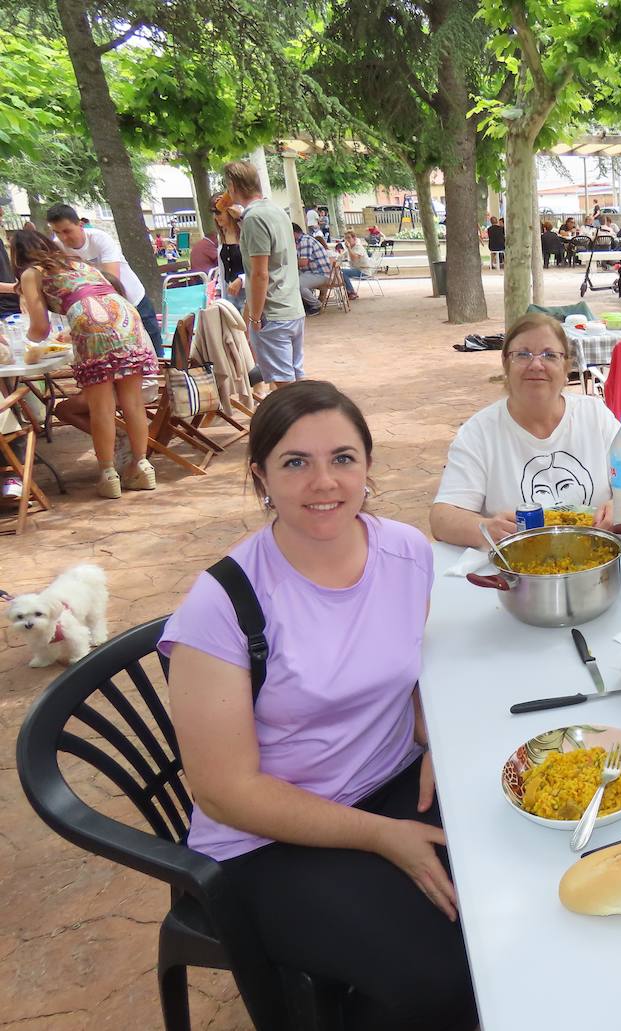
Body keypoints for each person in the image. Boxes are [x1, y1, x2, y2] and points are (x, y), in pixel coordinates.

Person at [159, 381, 479, 1028]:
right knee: (438, 977)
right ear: (261, 478)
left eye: (342, 457)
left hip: (387, 784)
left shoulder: (407, 553)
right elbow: (225, 791)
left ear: (367, 466)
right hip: (267, 841)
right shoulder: (221, 604)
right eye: (295, 462)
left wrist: (437, 737)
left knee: (511, 897)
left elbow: (404, 670)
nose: (323, 481)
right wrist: (384, 838)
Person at [430, 313, 620, 548]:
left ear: (566, 366)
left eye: (550, 355)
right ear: (506, 364)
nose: (536, 364)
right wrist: (485, 528)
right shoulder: (479, 432)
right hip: (515, 575)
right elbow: (442, 518)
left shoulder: (595, 416)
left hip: (597, 563)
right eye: (522, 354)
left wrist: (619, 506)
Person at [11, 228, 158, 498]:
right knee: (133, 402)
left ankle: (108, 474)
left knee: (101, 407)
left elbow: (40, 327)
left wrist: (24, 345)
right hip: (123, 313)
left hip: (88, 320)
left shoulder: (32, 273)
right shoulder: (75, 262)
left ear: (17, 256)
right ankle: (142, 466)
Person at [223, 160, 307, 388]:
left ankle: (293, 424)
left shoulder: (254, 219)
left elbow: (260, 274)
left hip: (272, 313)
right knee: (295, 382)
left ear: (232, 186)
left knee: (283, 386)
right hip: (291, 308)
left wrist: (256, 317)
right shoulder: (276, 211)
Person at [47, 203, 163, 353]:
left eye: (67, 231)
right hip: (98, 310)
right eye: (57, 232)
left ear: (80, 225)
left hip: (132, 299)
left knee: (154, 350)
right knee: (121, 354)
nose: (63, 238)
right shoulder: (57, 248)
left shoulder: (100, 239)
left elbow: (111, 281)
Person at [211, 193, 247, 312]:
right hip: (229, 297)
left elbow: (259, 266)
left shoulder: (245, 232)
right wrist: (218, 293)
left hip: (249, 295)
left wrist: (241, 280)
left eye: (218, 212)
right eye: (214, 213)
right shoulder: (221, 236)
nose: (216, 217)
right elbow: (223, 269)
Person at [294, 223, 343, 307]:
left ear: (293, 232)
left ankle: (316, 305)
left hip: (321, 275)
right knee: (294, 278)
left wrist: (286, 263)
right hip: (318, 273)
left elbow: (303, 262)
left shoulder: (304, 241)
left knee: (295, 284)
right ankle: (306, 304)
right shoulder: (303, 240)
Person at [341, 230, 371, 297]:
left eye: (348, 238)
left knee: (342, 272)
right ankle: (348, 291)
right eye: (345, 238)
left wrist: (348, 248)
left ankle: (351, 292)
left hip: (363, 271)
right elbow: (341, 257)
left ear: (354, 238)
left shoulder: (358, 247)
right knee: (339, 271)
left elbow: (354, 258)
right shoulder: (350, 248)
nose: (347, 240)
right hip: (356, 270)